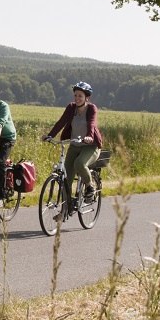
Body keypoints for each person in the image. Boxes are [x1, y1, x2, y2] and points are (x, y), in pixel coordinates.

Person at [42, 81, 103, 219]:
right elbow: (61, 122)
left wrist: (89, 136)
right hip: (75, 145)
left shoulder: (92, 108)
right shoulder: (71, 108)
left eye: (80, 96)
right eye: (75, 95)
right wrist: (50, 135)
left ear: (86, 97)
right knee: (66, 180)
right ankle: (64, 211)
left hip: (91, 146)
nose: (77, 98)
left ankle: (90, 186)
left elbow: (92, 124)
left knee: (79, 164)